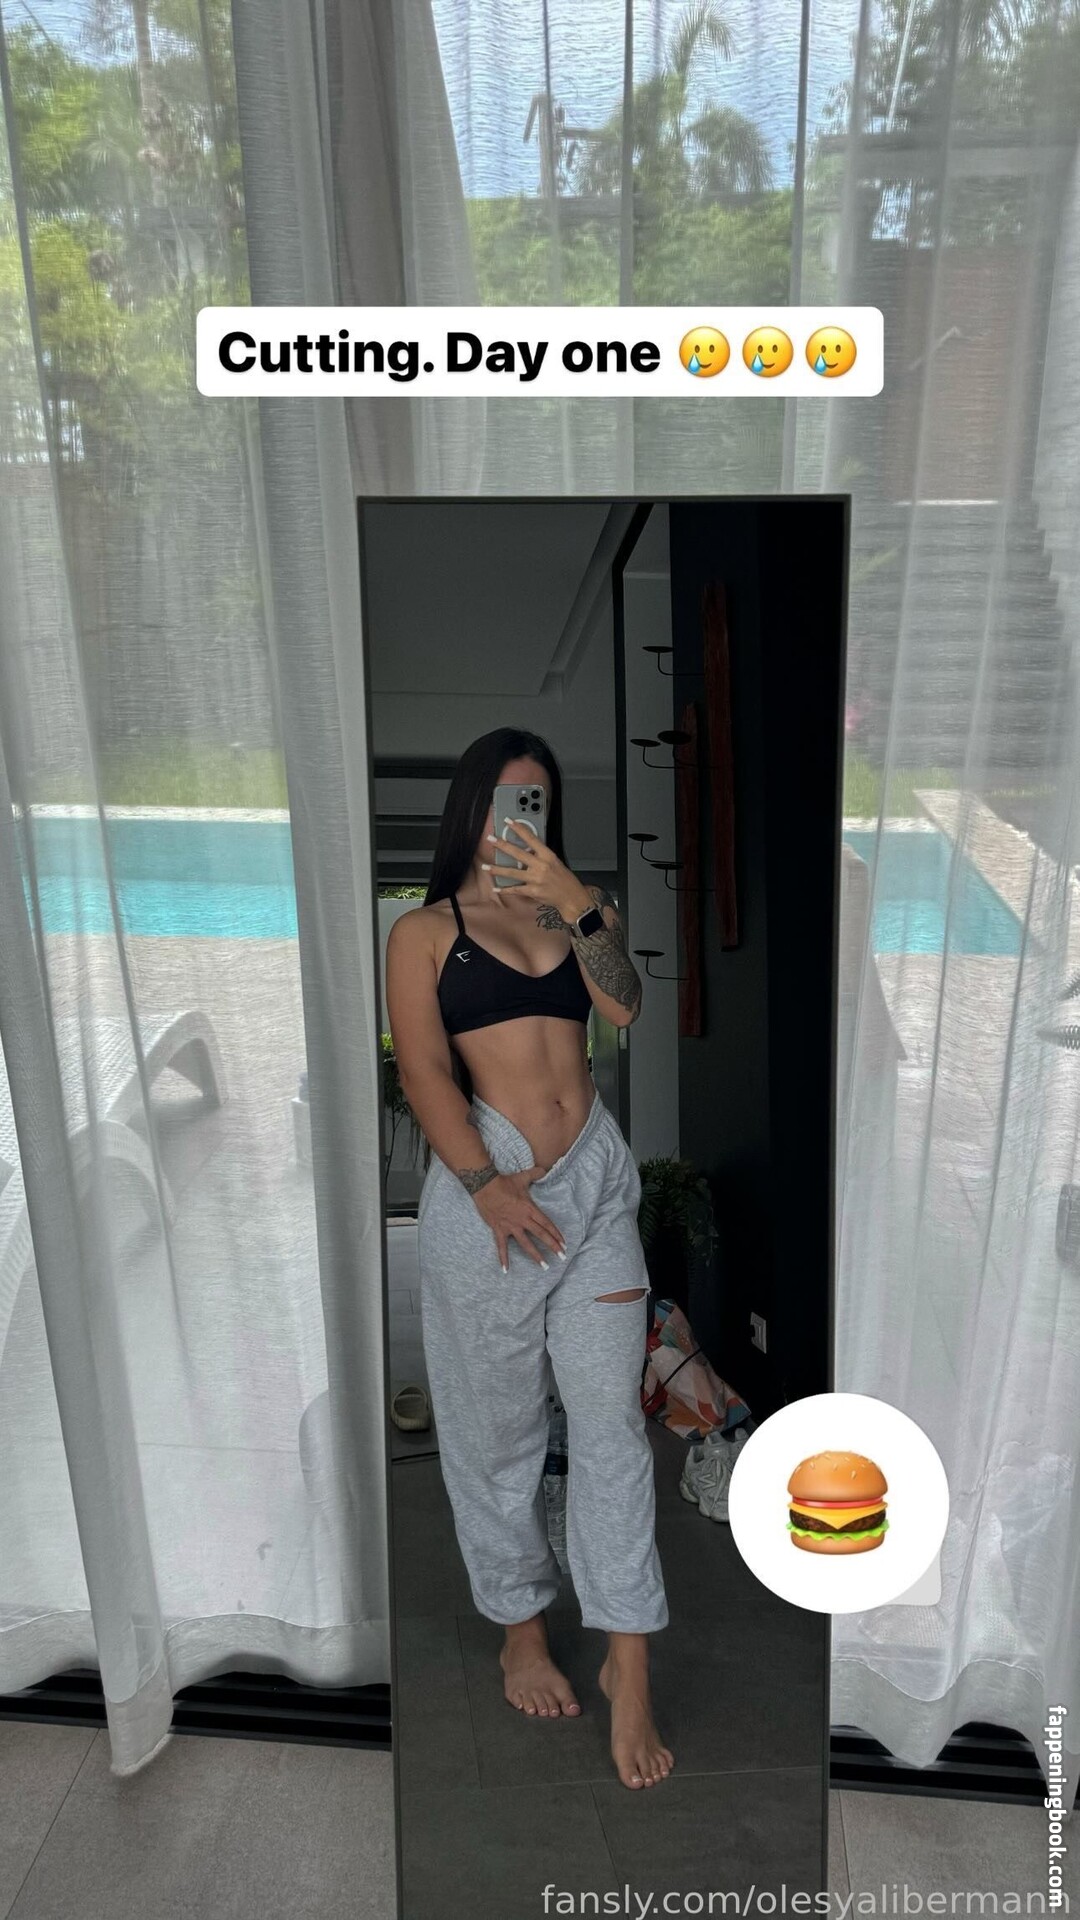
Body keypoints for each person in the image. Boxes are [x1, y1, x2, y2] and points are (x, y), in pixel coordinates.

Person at [385, 728, 672, 1791]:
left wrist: (579, 903)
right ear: (472, 808)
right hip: (490, 1204)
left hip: (592, 1191)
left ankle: (629, 1662)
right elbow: (423, 1070)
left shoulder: (579, 911)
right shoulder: (425, 932)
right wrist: (483, 1182)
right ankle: (521, 1628)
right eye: (508, 800)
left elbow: (625, 1007)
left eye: (539, 801)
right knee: (495, 1432)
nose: (524, 819)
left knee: (611, 1430)